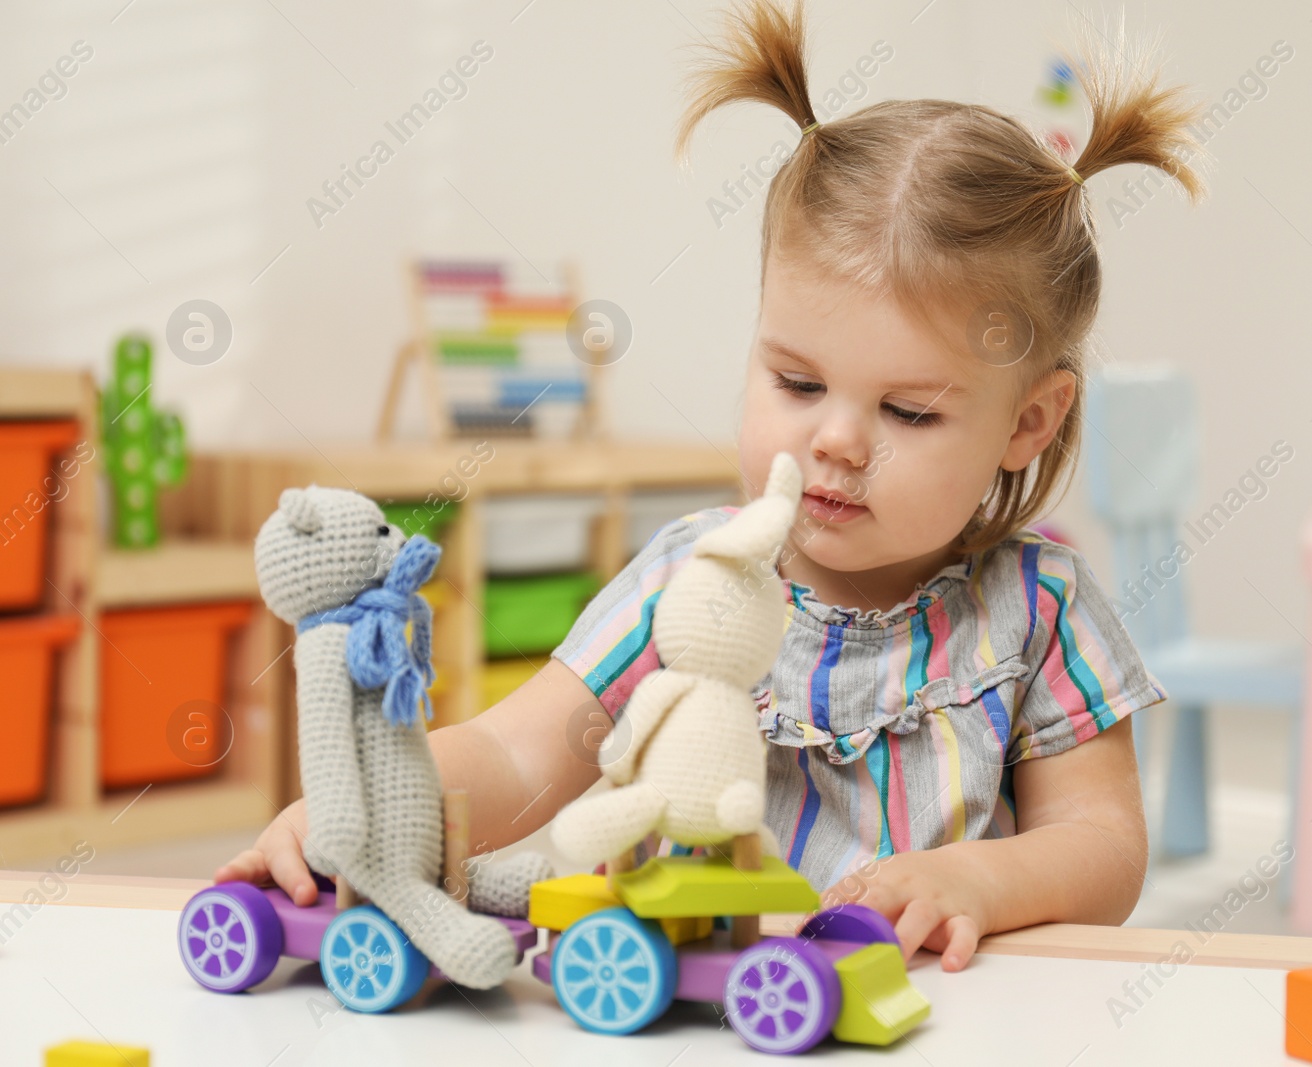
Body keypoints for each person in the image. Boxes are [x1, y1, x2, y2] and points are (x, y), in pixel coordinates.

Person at [218, 0, 1208, 973]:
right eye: (795, 381)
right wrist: (373, 805)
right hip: (682, 995)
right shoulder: (692, 578)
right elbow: (519, 755)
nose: (834, 442)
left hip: (938, 1017)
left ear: (1026, 421)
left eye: (907, 412)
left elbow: (1106, 845)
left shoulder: (1039, 608)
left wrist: (982, 881)